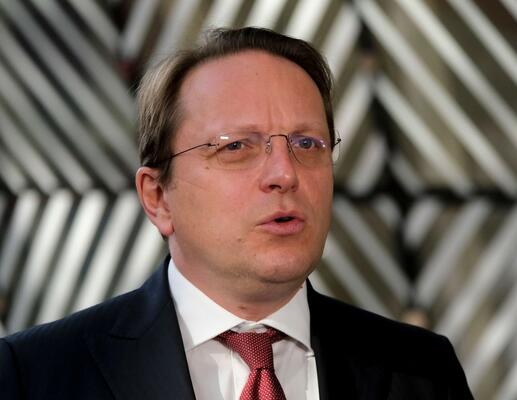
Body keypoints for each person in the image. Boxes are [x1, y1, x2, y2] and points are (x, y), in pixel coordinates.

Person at [0, 27, 473, 399]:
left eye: (307, 144)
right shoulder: (34, 374)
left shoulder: (421, 370)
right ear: (158, 197)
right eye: (236, 147)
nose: (284, 173)